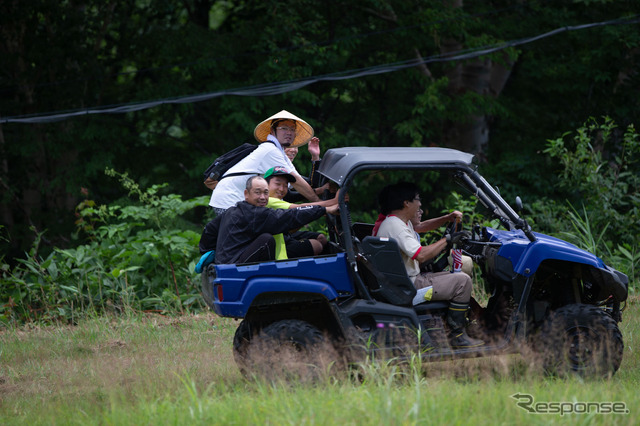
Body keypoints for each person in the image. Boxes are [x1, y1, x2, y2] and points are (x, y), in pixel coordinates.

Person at [376, 181, 484, 348]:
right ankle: (458, 335)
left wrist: (447, 219)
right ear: (406, 203)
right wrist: (447, 240)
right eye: (418, 199)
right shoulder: (396, 226)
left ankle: (461, 325)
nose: (420, 203)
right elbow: (421, 255)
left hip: (406, 281)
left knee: (455, 275)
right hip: (411, 286)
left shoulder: (398, 221)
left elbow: (420, 226)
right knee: (463, 281)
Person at [199, 176, 337, 264]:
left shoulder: (233, 210)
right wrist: (325, 209)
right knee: (266, 239)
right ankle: (273, 276)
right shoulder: (254, 214)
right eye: (257, 192)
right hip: (233, 266)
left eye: (265, 192)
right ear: (246, 194)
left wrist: (207, 252)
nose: (263, 197)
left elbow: (209, 230)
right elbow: (292, 214)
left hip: (227, 262)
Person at [209, 110, 320, 214]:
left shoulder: (279, 152)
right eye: (284, 128)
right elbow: (298, 182)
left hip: (237, 201)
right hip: (229, 200)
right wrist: (319, 204)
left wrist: (315, 157)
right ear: (272, 131)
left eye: (292, 129)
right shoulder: (270, 150)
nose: (289, 133)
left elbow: (303, 183)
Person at [263, 166, 338, 258]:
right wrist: (335, 201)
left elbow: (290, 228)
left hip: (282, 240)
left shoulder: (278, 200)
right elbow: (299, 208)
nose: (282, 189)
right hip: (275, 254)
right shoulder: (267, 200)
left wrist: (311, 216)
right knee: (316, 245)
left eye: (286, 185)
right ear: (265, 185)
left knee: (321, 238)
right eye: (278, 184)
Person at [283, 137, 330, 202]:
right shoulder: (275, 166)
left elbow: (310, 185)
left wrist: (315, 156)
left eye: (296, 146)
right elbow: (288, 197)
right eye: (289, 146)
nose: (293, 150)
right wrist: (319, 191)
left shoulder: (288, 168)